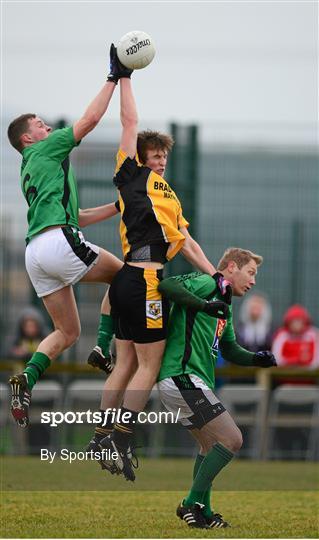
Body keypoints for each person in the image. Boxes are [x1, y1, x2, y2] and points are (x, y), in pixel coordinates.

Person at [87, 46, 232, 481]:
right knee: (149, 366)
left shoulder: (167, 195)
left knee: (128, 363)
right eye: (155, 155)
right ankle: (122, 434)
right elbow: (130, 123)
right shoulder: (131, 176)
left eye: (164, 155)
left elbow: (186, 241)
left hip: (131, 280)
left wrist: (216, 275)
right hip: (145, 281)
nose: (162, 160)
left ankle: (100, 434)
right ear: (139, 158)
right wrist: (124, 75)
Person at [7, 52, 124, 428]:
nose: (46, 127)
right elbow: (89, 121)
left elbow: (76, 217)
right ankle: (103, 349)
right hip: (58, 243)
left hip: (36, 252)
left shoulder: (34, 167)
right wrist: (113, 77)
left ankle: (26, 379)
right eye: (40, 124)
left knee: (66, 331)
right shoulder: (44, 149)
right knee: (128, 277)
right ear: (28, 137)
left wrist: (118, 206)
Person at [156, 247, 277, 529]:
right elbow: (167, 284)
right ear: (231, 267)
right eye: (251, 272)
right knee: (232, 439)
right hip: (181, 377)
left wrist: (256, 359)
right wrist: (203, 304)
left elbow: (230, 349)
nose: (254, 281)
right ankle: (190, 503)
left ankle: (204, 513)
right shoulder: (208, 283)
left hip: (191, 382)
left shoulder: (226, 304)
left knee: (209, 445)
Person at [271, 305, 319, 370]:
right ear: (288, 322)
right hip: (285, 375)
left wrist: (307, 366)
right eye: (293, 321)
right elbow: (276, 358)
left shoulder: (313, 334)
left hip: (309, 376)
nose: (296, 324)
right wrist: (294, 361)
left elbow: (316, 360)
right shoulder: (282, 335)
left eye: (299, 320)